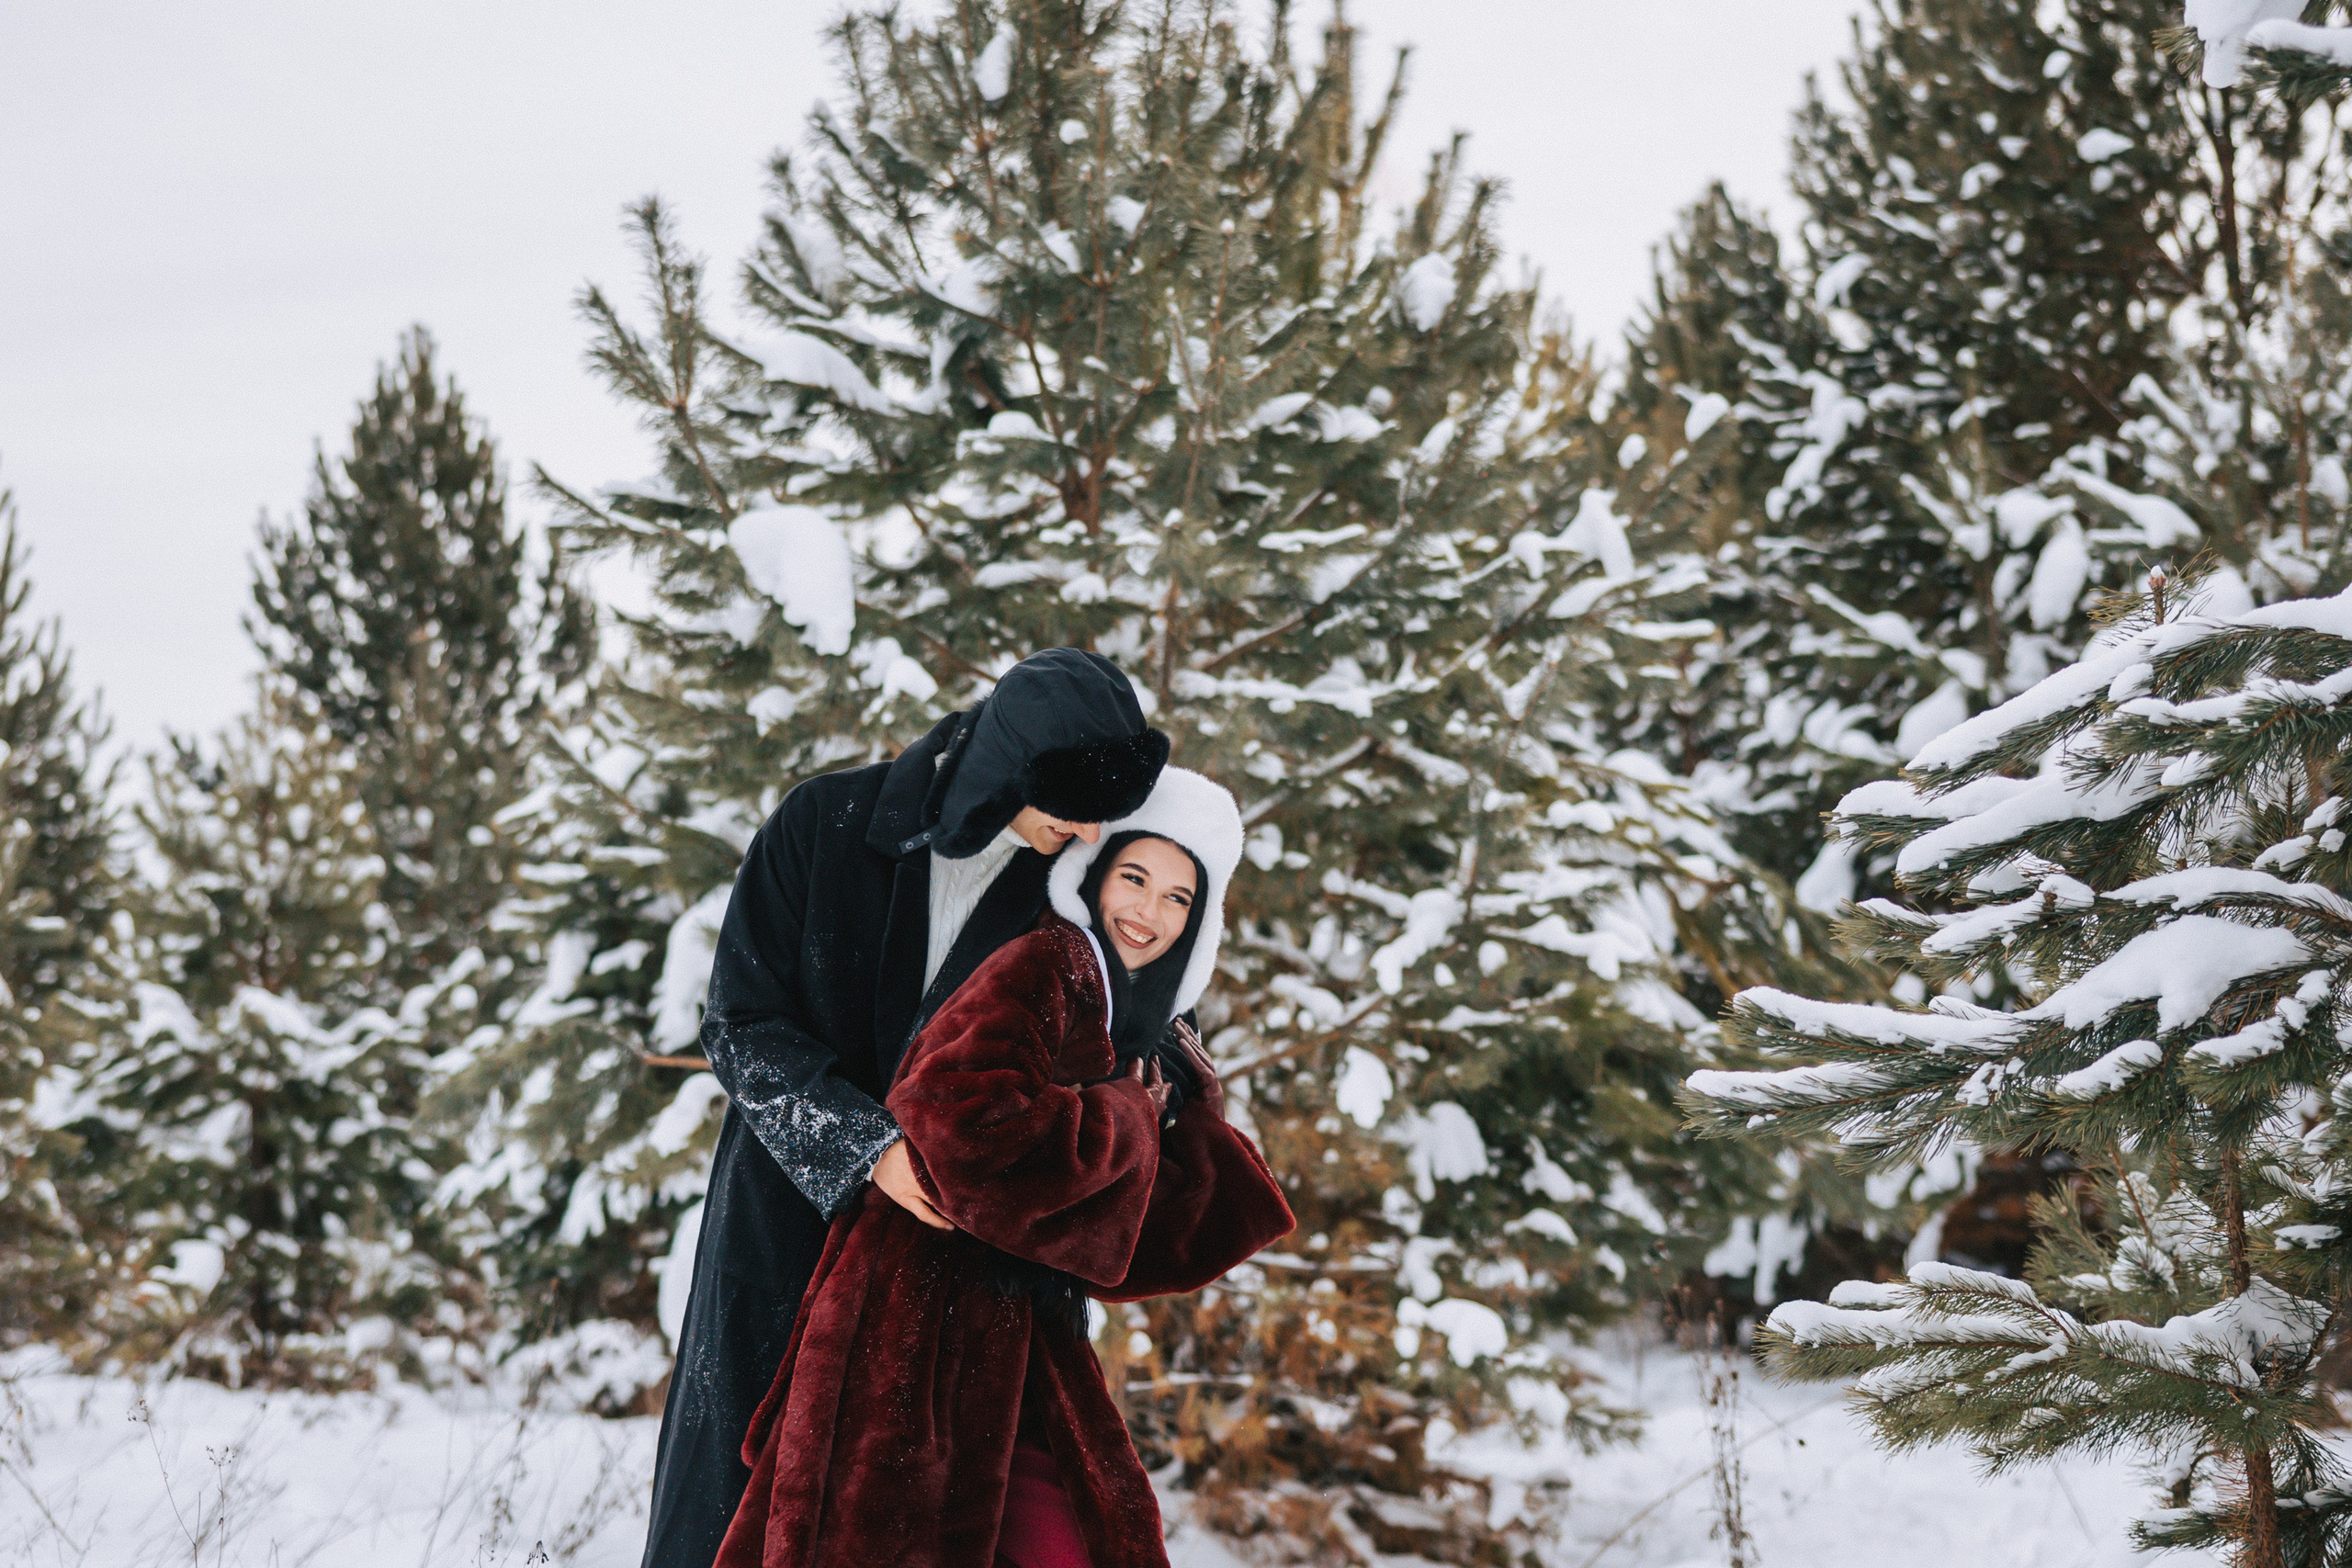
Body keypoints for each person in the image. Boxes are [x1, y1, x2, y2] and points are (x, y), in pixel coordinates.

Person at [641, 649, 1171, 1568]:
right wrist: (865, 1148)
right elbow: (741, 1021)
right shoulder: (824, 824)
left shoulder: (1071, 894)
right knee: (729, 1515)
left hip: (948, 1297)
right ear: (1009, 765)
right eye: (1072, 803)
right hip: (779, 1243)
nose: (1090, 831)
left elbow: (1126, 1052)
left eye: (1105, 812)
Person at [714, 766, 1294, 1568]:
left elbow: (1124, 1249)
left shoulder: (1139, 1016)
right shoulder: (1042, 964)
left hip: (1020, 1339)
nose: (1148, 912)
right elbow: (953, 1119)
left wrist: (1187, 1127)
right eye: (1134, 877)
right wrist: (1127, 1118)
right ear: (1093, 875)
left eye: (1177, 898)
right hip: (912, 1325)